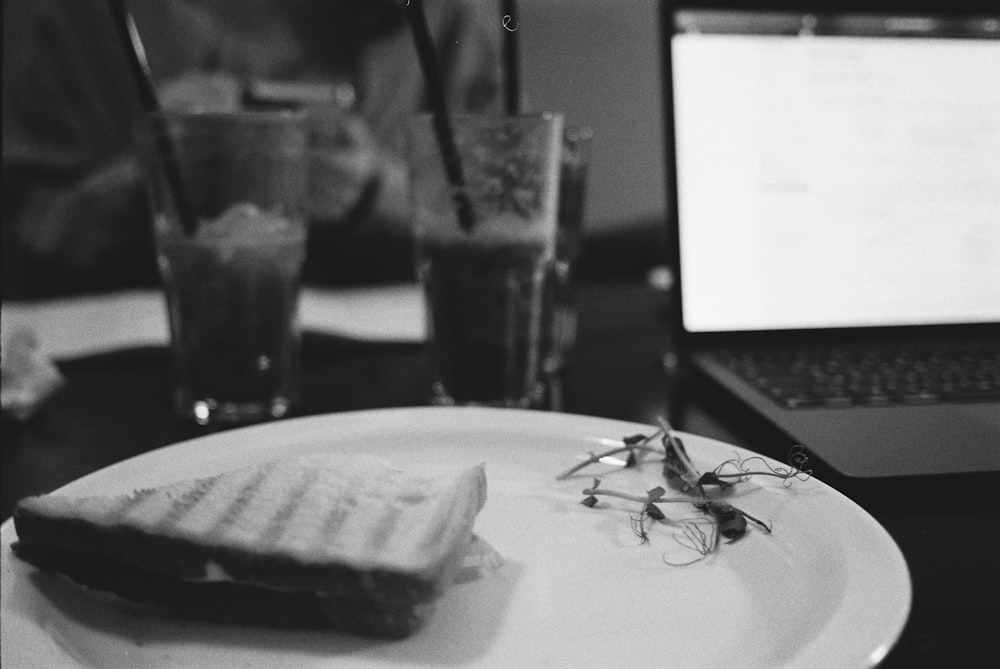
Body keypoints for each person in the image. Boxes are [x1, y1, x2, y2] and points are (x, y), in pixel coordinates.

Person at [2, 0, 503, 298]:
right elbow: (25, 239)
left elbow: (512, 221)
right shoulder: (89, 18)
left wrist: (378, 191)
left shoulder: (443, 20)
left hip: (403, 391)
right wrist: (143, 175)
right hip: (141, 385)